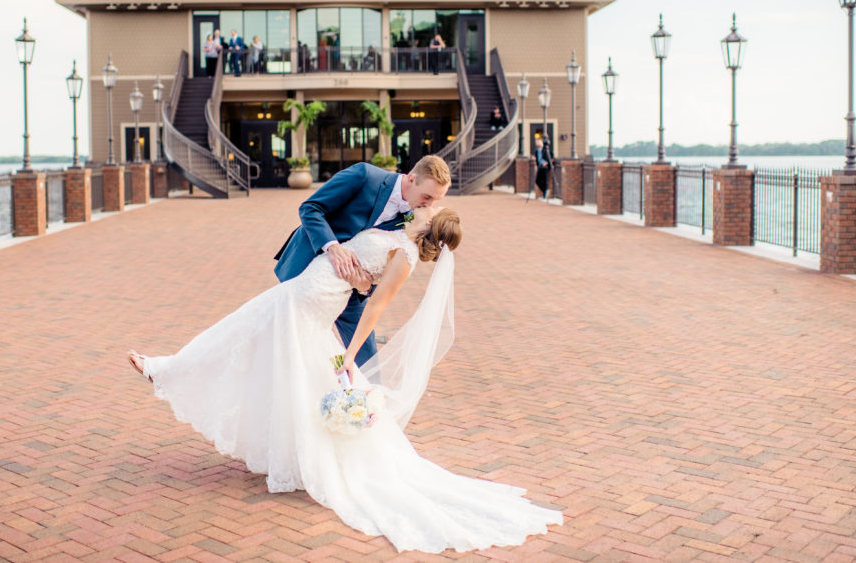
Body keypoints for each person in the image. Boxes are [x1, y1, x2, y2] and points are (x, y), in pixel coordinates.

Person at [126, 189, 562, 553]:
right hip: (307, 292)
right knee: (271, 357)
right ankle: (280, 442)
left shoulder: (405, 254)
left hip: (309, 302)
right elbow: (360, 271)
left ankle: (165, 370)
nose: (424, 204)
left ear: (431, 221)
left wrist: (350, 355)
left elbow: (376, 307)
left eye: (431, 205)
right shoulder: (396, 229)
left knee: (242, 332)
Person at [276, 155, 450, 367]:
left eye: (435, 201)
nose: (429, 206)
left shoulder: (413, 218)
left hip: (353, 292)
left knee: (368, 364)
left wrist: (364, 287)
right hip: (310, 273)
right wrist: (332, 246)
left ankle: (364, 399)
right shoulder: (364, 176)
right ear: (411, 179)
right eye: (427, 197)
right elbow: (310, 208)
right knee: (296, 351)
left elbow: (384, 263)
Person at [534, 132, 552, 200]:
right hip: (539, 167)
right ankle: (545, 191)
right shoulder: (536, 151)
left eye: (539, 142)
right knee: (537, 181)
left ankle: (545, 194)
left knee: (545, 180)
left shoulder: (545, 149)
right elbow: (537, 159)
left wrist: (546, 162)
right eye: (537, 142)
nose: (537, 143)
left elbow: (550, 156)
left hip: (545, 167)